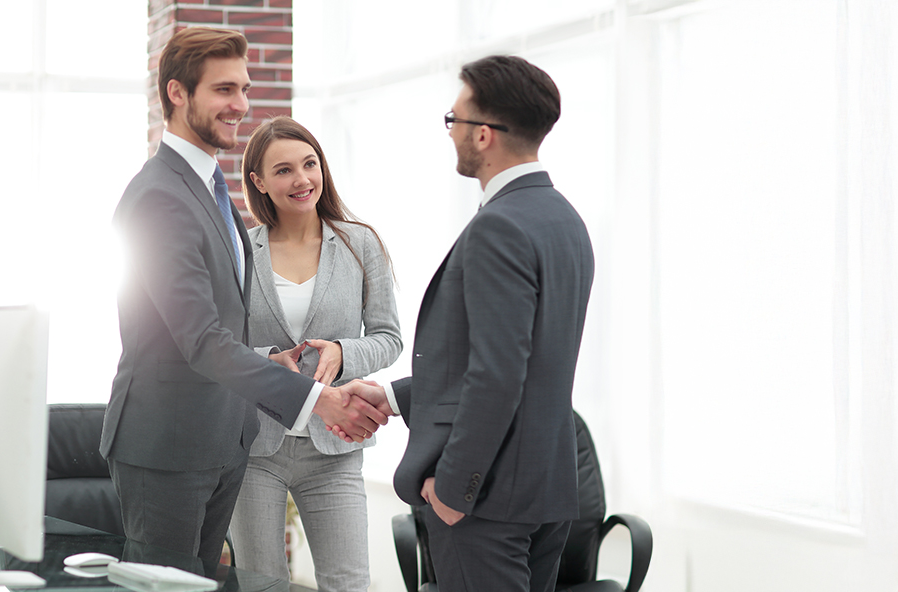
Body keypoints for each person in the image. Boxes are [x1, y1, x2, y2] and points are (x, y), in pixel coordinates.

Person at [100, 26, 389, 568]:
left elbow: (222, 326)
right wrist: (317, 399)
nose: (240, 105)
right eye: (224, 90)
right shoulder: (160, 197)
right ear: (177, 94)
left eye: (245, 89)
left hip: (222, 440)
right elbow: (202, 340)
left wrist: (274, 361)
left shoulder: (209, 188)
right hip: (168, 445)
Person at [339, 55, 595, 592]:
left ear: (483, 135)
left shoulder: (499, 227)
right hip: (546, 489)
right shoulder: (565, 220)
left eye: (454, 120)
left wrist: (456, 489)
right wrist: (394, 394)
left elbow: (498, 375)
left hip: (486, 501)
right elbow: (523, 363)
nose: (450, 132)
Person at [227, 117, 402, 591]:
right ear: (258, 182)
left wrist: (344, 352)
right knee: (262, 584)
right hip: (257, 445)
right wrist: (267, 359)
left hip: (336, 445)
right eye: (283, 170)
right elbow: (223, 344)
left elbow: (389, 337)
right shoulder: (242, 251)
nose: (302, 179)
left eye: (310, 164)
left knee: (348, 583)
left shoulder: (360, 243)